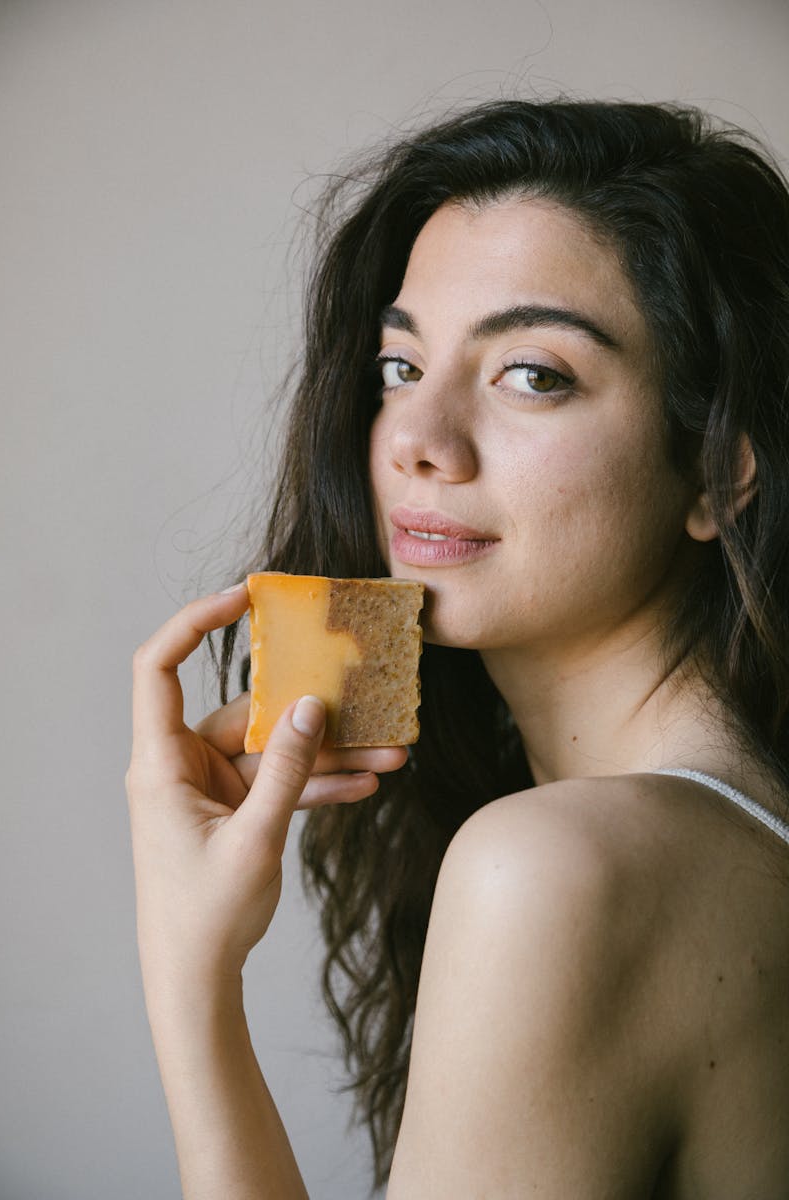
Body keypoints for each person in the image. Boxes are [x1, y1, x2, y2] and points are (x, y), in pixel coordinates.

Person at [126, 99, 789, 1198]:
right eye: (398, 368)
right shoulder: (724, 831)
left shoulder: (552, 871)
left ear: (718, 470)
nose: (419, 445)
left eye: (532, 373)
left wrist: (188, 980)